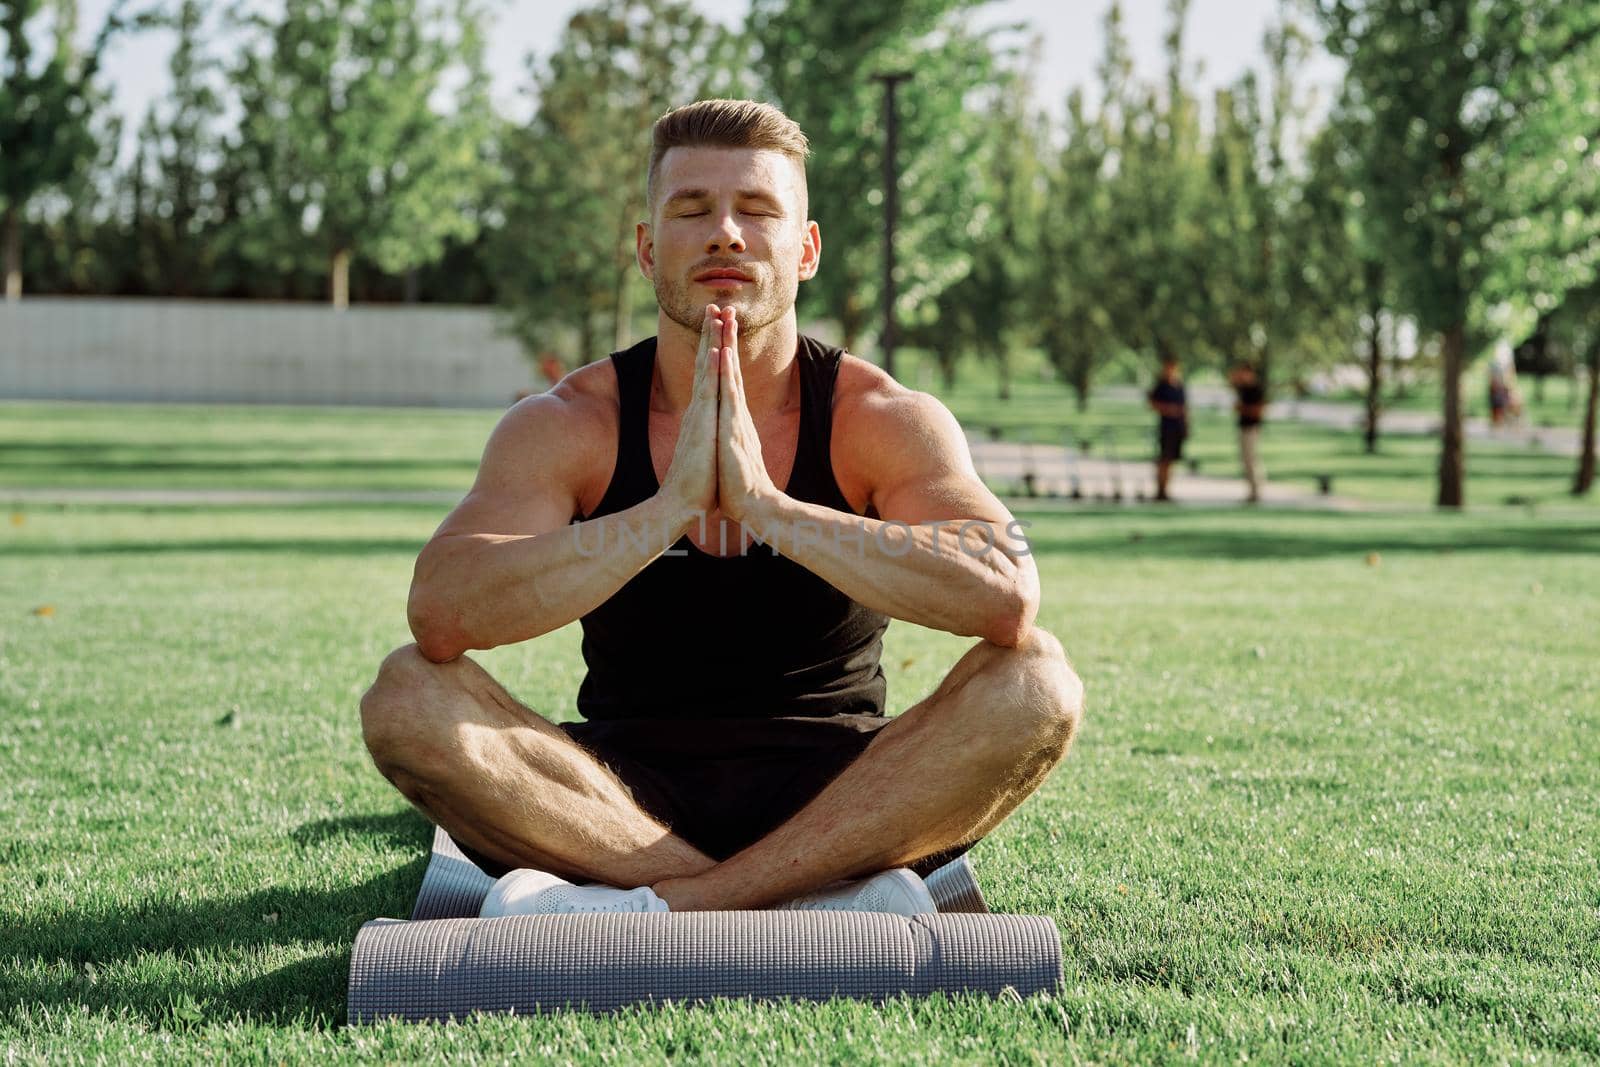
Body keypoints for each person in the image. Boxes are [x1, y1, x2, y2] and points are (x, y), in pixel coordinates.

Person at [357, 100, 1084, 918]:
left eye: (758, 210)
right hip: (615, 799)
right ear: (646, 247)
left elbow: (1006, 593)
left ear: (805, 250)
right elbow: (441, 611)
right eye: (692, 209)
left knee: (1038, 683)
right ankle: (796, 897)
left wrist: (770, 507)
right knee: (406, 695)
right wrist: (666, 509)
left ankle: (668, 906)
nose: (726, 233)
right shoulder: (569, 423)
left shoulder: (880, 417)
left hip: (841, 794)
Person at [1147, 355, 1187, 502]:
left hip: (1177, 427)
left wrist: (1186, 425)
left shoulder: (1179, 385)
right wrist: (1168, 409)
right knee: (1164, 459)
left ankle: (1166, 489)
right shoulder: (1161, 386)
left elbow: (1184, 408)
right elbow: (1152, 403)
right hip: (1166, 427)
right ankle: (1160, 490)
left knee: (1171, 461)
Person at [1229, 362, 1267, 503]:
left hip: (1252, 428)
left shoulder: (1256, 389)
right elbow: (1231, 381)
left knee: (1251, 459)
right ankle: (1252, 490)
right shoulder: (1244, 389)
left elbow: (1259, 410)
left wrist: (1242, 409)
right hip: (1244, 428)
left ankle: (1256, 490)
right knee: (1246, 460)